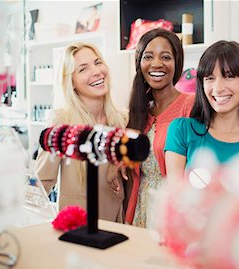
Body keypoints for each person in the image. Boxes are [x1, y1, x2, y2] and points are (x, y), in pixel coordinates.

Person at [36, 42, 128, 223]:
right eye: (83, 69)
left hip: (117, 228)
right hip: (78, 231)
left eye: (98, 62)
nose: (96, 72)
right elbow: (41, 183)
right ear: (71, 82)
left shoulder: (122, 120)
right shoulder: (62, 123)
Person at [123, 28, 195, 227]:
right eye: (148, 56)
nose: (156, 64)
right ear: (139, 63)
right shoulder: (138, 113)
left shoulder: (191, 106)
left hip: (172, 215)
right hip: (139, 210)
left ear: (176, 63)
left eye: (165, 57)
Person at [165, 40, 239, 180]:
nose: (218, 88)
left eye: (228, 76)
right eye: (210, 78)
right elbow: (175, 197)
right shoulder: (182, 130)